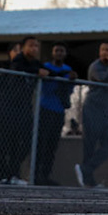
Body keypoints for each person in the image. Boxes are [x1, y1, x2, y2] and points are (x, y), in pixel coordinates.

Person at [77, 41, 108, 187]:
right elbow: (105, 78)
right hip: (93, 109)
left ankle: (85, 170)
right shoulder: (95, 66)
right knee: (90, 144)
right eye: (102, 50)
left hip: (106, 111)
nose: (105, 52)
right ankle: (88, 180)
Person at [0, 37, 44, 185]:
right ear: (23, 48)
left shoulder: (36, 63)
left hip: (24, 108)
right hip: (9, 107)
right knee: (5, 142)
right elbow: (18, 68)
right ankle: (0, 174)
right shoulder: (18, 61)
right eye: (31, 46)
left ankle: (13, 174)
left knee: (24, 141)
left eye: (36, 46)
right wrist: (37, 72)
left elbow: (48, 71)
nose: (34, 49)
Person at [35, 44, 73, 185]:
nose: (59, 53)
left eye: (61, 51)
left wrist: (70, 80)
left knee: (52, 145)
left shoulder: (68, 70)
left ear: (65, 53)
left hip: (58, 110)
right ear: (52, 53)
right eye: (56, 50)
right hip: (45, 108)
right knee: (41, 143)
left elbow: (69, 90)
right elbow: (45, 87)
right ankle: (35, 174)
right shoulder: (46, 67)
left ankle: (45, 176)